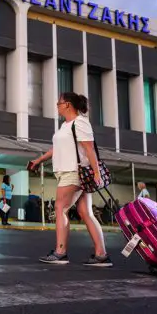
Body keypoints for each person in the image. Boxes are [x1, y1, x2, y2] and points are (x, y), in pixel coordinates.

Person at [29, 92, 112, 267]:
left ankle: (60, 252)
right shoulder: (66, 126)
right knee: (85, 213)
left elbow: (89, 149)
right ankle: (101, 255)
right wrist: (39, 160)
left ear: (67, 104)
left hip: (73, 172)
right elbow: (56, 149)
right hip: (70, 172)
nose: (57, 106)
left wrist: (96, 173)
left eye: (59, 103)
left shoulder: (80, 123)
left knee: (60, 207)